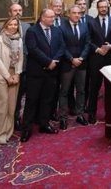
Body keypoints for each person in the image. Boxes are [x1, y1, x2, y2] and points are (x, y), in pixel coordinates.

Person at [21, 8, 64, 142]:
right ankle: (26, 129)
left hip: (52, 72)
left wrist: (54, 61)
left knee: (47, 99)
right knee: (32, 100)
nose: (53, 19)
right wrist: (48, 61)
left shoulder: (56, 30)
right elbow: (33, 49)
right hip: (36, 72)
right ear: (42, 18)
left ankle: (44, 124)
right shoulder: (32, 31)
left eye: (53, 17)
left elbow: (62, 47)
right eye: (50, 17)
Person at [0, 17, 23, 144]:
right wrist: (7, 76)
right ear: (5, 26)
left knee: (11, 106)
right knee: (0, 107)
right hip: (0, 75)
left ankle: (7, 133)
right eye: (10, 24)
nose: (13, 26)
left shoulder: (19, 39)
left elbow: (20, 58)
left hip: (14, 75)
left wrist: (17, 74)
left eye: (15, 24)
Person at [57, 4, 90, 129]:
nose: (77, 15)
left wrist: (81, 58)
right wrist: (71, 59)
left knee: (81, 90)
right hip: (67, 63)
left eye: (79, 13)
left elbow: (87, 44)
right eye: (74, 13)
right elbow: (61, 46)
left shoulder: (84, 26)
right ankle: (63, 118)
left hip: (81, 64)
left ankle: (80, 114)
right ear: (69, 14)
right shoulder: (61, 27)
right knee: (64, 91)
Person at [86, 0, 111, 124]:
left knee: (110, 88)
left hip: (110, 58)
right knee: (94, 87)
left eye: (105, 7)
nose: (104, 9)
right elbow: (88, 40)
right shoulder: (91, 23)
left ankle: (110, 113)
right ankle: (92, 113)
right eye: (101, 7)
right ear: (98, 8)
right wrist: (98, 49)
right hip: (96, 59)